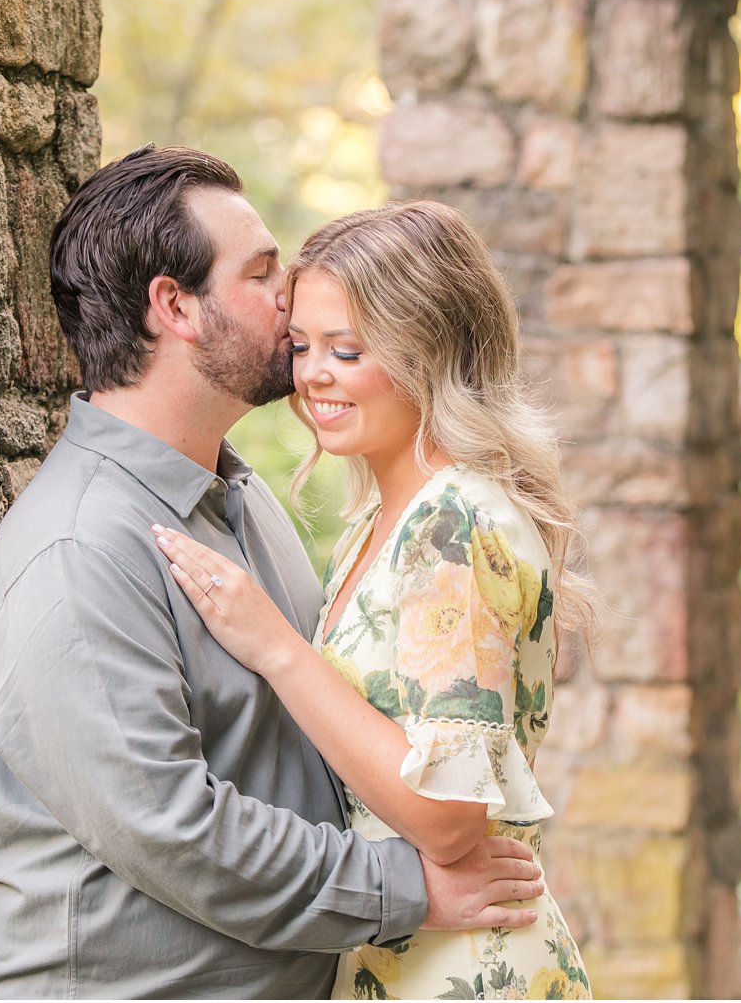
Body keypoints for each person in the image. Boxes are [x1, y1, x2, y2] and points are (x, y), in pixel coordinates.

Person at [0, 147, 546, 1000]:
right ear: (175, 306)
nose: (290, 292)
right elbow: (175, 830)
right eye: (264, 270)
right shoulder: (78, 551)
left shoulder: (244, 498)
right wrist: (410, 890)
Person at [153, 201, 594, 1000]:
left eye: (347, 350)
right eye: (303, 345)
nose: (312, 373)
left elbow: (449, 816)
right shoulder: (381, 520)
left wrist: (277, 649)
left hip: (466, 971)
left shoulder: (455, 523)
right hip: (401, 953)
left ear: (426, 348)